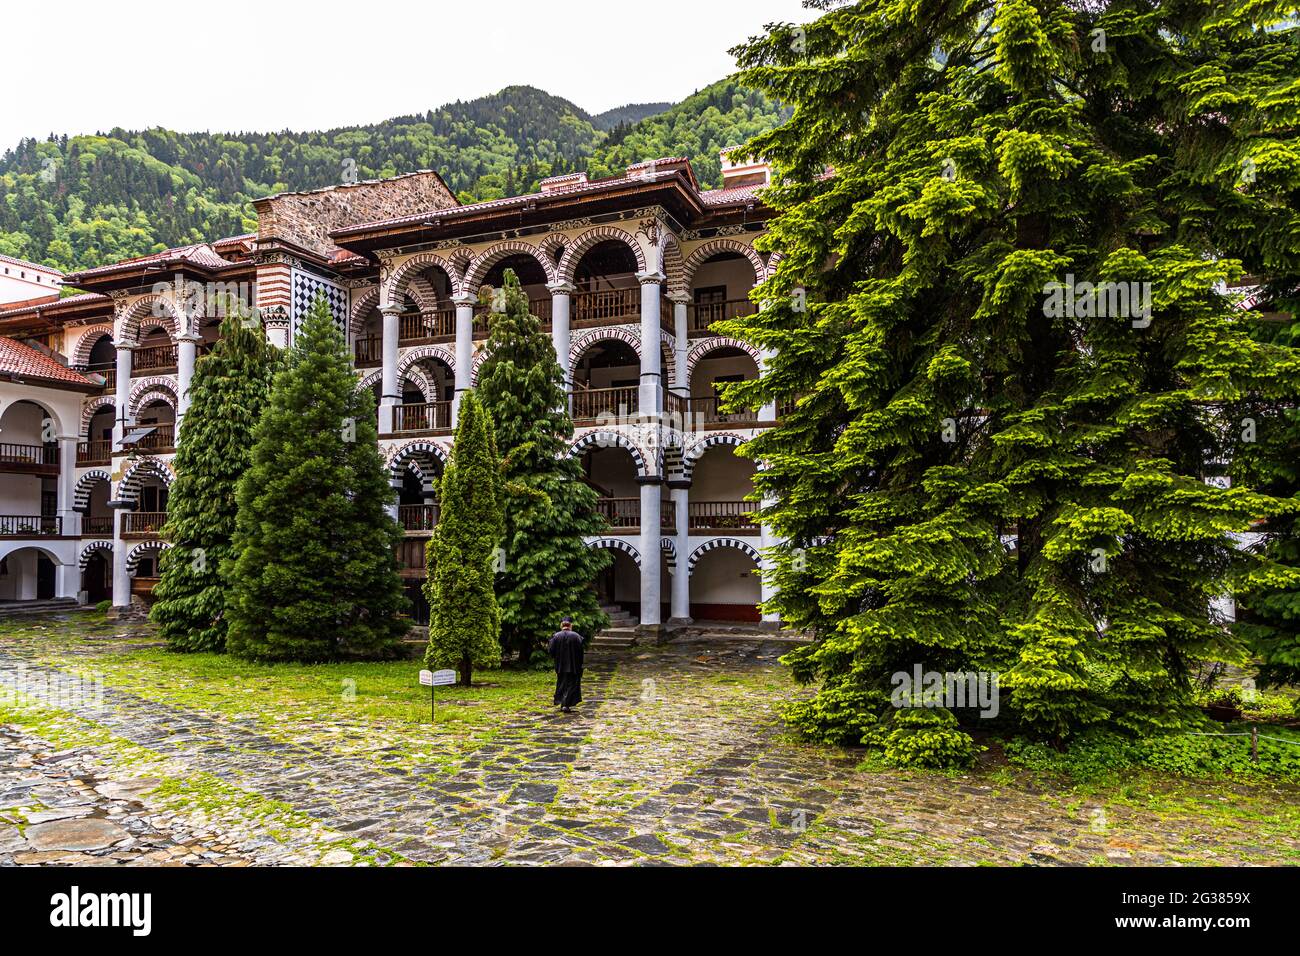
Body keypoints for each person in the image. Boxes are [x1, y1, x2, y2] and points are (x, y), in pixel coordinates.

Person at [548, 617, 585, 713]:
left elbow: (551, 651)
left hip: (560, 665)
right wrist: (580, 664)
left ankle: (562, 703)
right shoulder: (576, 636)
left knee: (561, 684)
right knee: (572, 685)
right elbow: (581, 653)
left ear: (561, 625)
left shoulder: (556, 636)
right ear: (570, 625)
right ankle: (565, 704)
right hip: (573, 666)